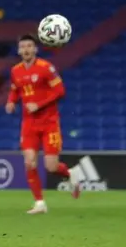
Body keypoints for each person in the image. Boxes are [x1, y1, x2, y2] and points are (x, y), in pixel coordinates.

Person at [5, 34, 79, 215]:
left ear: (35, 49)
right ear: (19, 50)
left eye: (29, 46)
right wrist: (11, 101)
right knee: (29, 162)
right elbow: (15, 89)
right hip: (29, 124)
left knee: (51, 167)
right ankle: (39, 203)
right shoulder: (15, 70)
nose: (26, 50)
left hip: (49, 123)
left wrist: (39, 104)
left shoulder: (46, 68)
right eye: (23, 47)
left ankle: (70, 175)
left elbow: (60, 91)